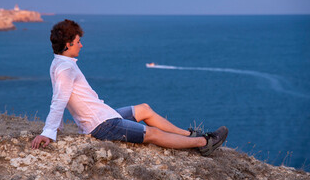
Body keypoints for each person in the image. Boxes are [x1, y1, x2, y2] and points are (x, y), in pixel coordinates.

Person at [31, 19, 228, 156]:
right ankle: (204, 143)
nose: (81, 45)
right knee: (152, 134)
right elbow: (59, 99)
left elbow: (61, 97)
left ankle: (188, 134)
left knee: (144, 109)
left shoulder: (59, 62)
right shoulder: (65, 68)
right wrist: (49, 132)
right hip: (101, 125)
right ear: (67, 45)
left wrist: (57, 128)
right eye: (78, 42)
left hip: (105, 115)